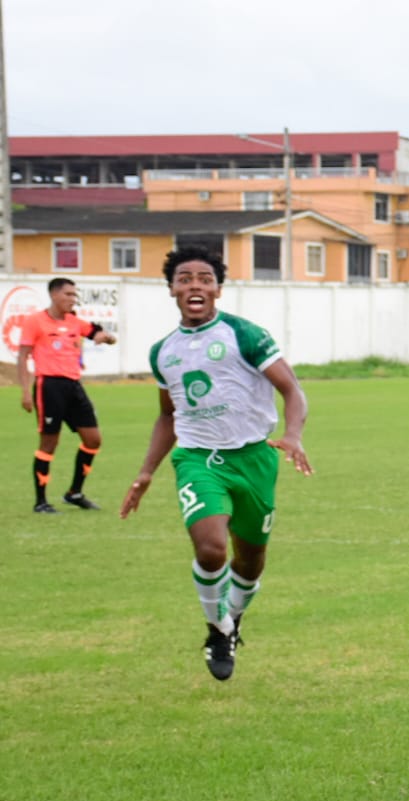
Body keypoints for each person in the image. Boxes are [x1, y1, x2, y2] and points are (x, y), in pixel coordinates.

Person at [119, 247, 312, 682]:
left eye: (204, 278)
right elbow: (168, 415)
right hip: (198, 459)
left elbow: (293, 390)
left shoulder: (245, 334)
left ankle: (234, 619)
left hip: (255, 457)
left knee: (251, 559)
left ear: (218, 289)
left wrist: (294, 435)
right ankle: (216, 629)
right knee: (210, 548)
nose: (194, 286)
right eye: (184, 278)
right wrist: (147, 470)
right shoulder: (162, 352)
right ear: (171, 289)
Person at [18, 277, 117, 513]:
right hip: (48, 386)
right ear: (54, 295)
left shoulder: (75, 322)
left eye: (75, 295)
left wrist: (107, 338)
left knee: (93, 440)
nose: (73, 299)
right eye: (68, 294)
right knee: (49, 443)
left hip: (74, 386)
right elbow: (22, 356)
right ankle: (41, 501)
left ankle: (74, 492)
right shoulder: (36, 322)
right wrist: (25, 391)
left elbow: (99, 333)